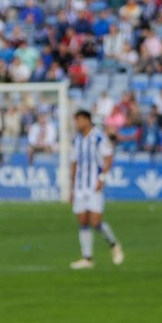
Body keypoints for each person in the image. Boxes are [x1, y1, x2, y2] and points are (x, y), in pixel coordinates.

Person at [69, 109, 124, 270]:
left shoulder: (99, 137)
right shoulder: (76, 140)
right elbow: (73, 163)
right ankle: (87, 258)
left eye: (79, 120)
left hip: (94, 184)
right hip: (80, 186)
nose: (77, 124)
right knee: (83, 221)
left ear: (87, 120)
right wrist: (71, 188)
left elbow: (108, 158)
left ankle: (113, 244)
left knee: (96, 222)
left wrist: (102, 178)